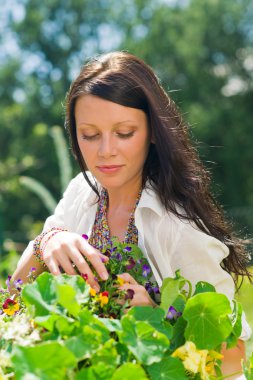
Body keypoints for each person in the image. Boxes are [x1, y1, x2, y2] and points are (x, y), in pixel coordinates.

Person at [12, 51, 251, 378]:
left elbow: (236, 354)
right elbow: (14, 300)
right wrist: (46, 241)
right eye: (90, 135)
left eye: (124, 132)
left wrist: (156, 320)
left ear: (153, 132)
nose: (105, 150)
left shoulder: (177, 228)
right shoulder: (80, 194)